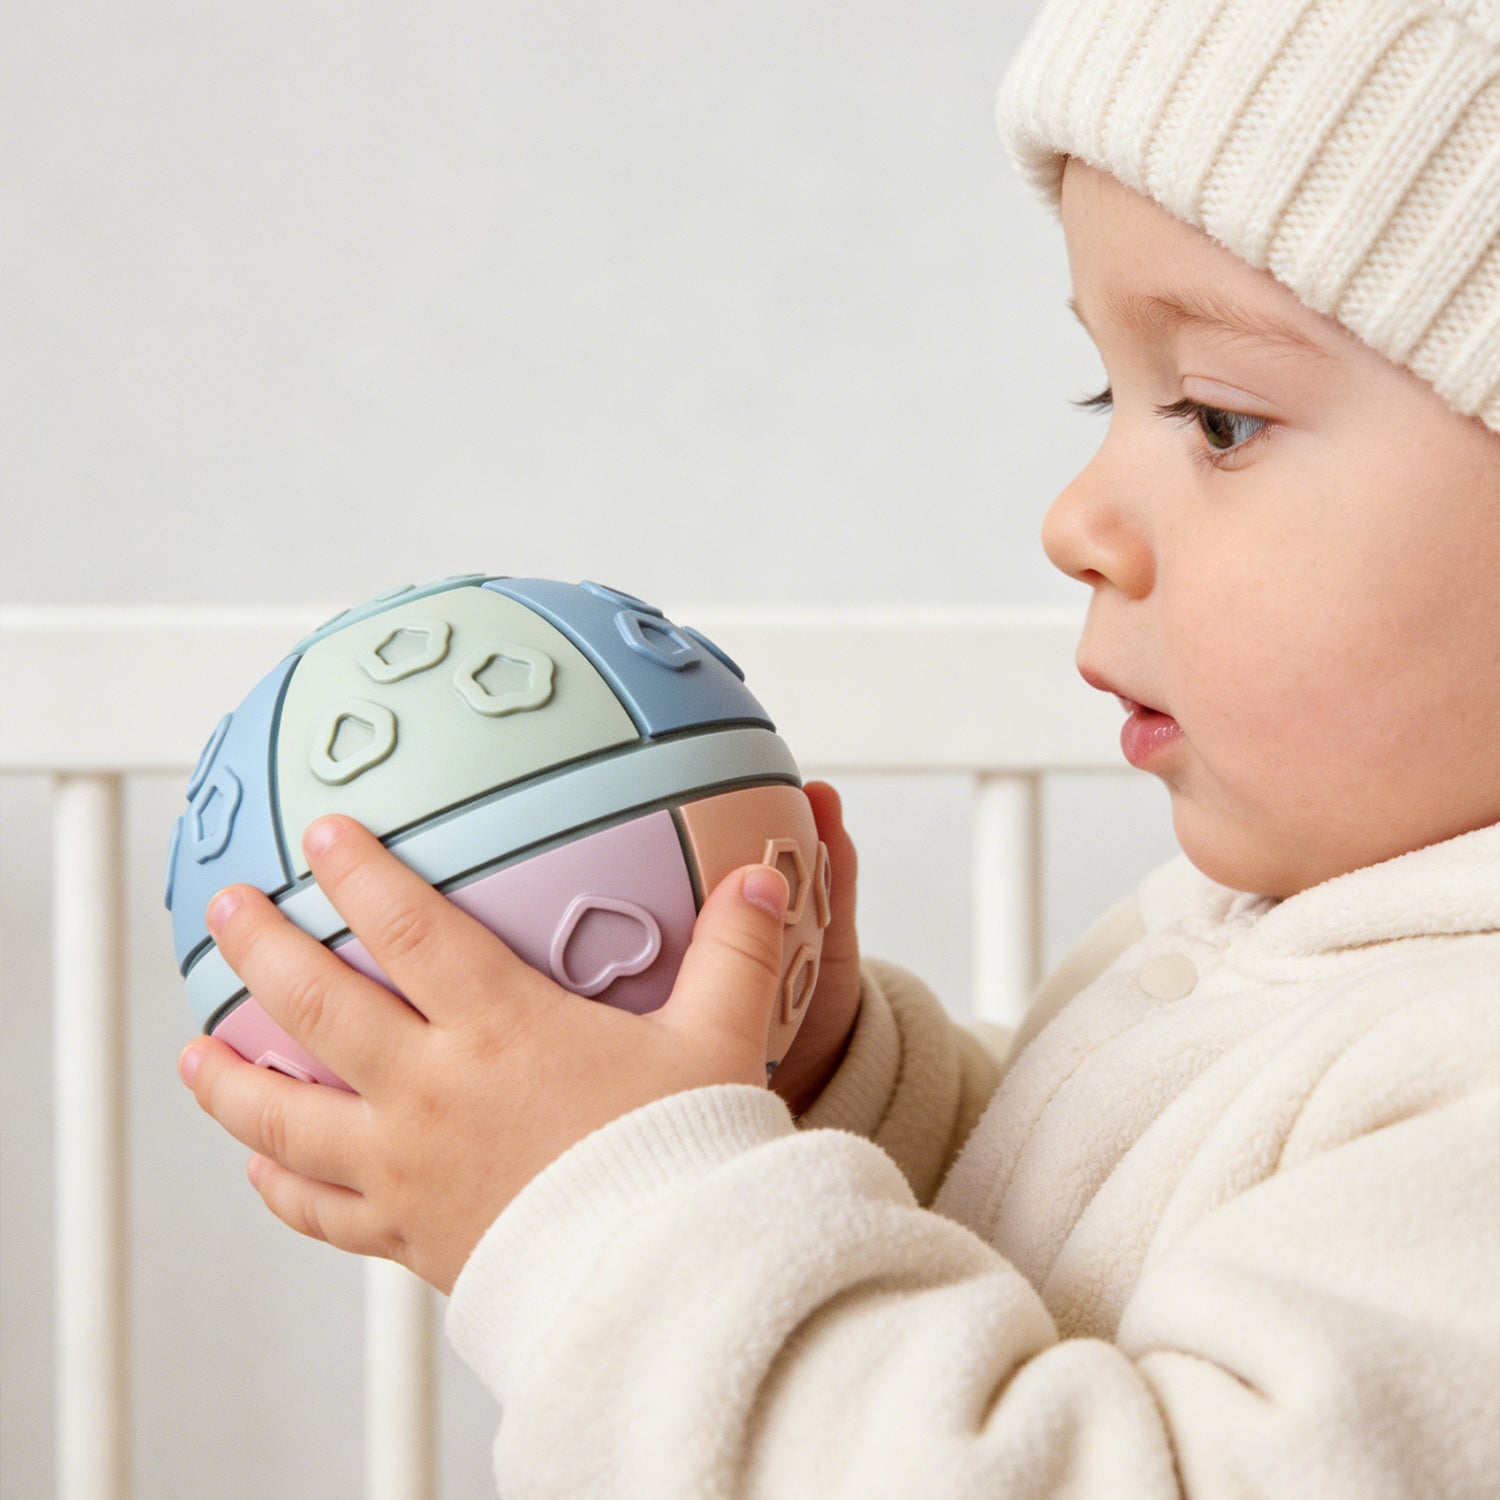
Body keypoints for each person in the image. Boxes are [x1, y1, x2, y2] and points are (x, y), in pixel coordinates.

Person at [178, 0, 1500, 1493]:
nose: (1075, 519)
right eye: (1102, 393)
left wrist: (621, 1225)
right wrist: (820, 1091)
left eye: (1215, 419)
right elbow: (1053, 1259)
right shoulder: (1266, 935)